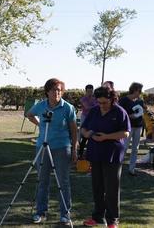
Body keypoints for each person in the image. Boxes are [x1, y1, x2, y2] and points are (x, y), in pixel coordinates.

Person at [26, 78, 77, 225]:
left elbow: (74, 130)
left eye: (60, 90)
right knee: (42, 181)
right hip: (42, 147)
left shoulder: (68, 108)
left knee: (63, 182)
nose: (57, 93)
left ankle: (65, 214)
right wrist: (40, 125)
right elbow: (29, 114)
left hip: (62, 147)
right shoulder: (41, 106)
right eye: (54, 90)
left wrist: (74, 148)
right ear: (47, 91)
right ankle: (40, 212)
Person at [80, 86, 130, 228]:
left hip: (113, 154)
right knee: (97, 187)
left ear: (112, 99)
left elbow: (125, 133)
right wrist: (87, 134)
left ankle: (113, 220)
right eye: (99, 102)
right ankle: (97, 217)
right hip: (95, 153)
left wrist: (107, 137)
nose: (102, 105)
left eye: (105, 103)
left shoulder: (120, 112)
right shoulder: (94, 111)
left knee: (111, 188)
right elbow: (83, 128)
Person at [119, 82, 145, 176]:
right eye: (139, 90)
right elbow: (120, 114)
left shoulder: (140, 101)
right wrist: (130, 116)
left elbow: (141, 113)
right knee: (124, 147)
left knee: (135, 149)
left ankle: (132, 169)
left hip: (138, 127)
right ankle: (118, 168)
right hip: (127, 127)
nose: (140, 92)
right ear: (134, 90)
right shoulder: (123, 100)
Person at [78, 84, 97, 158]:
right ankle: (80, 153)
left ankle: (89, 154)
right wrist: (95, 106)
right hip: (85, 117)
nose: (90, 93)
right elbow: (87, 107)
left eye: (91, 91)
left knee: (91, 136)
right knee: (83, 135)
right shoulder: (83, 99)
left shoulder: (95, 98)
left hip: (93, 118)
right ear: (86, 91)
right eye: (88, 91)